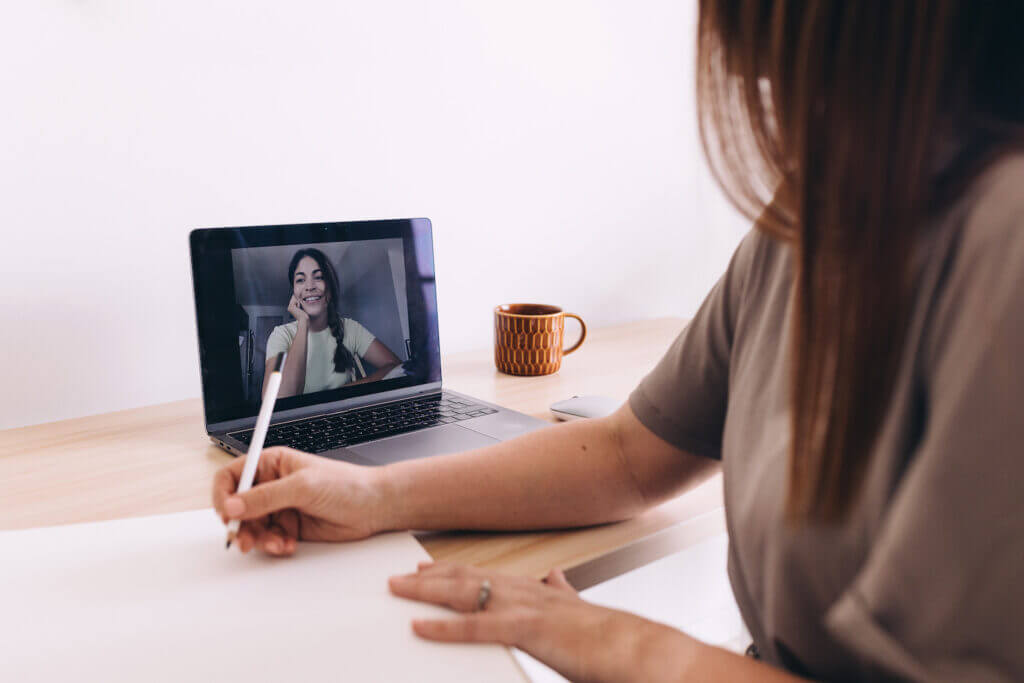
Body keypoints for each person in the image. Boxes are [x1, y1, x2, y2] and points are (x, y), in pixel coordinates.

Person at [215, 2, 1024, 680]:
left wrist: (618, 641)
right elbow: (631, 454)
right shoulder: (813, 209)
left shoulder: (1004, 236)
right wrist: (374, 495)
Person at [263, 248, 402, 398]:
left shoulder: (350, 328)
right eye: (300, 280)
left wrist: (342, 392)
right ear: (294, 292)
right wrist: (303, 323)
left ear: (330, 288)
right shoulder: (281, 335)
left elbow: (396, 367)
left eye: (318, 277)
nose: (309, 286)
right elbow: (278, 399)